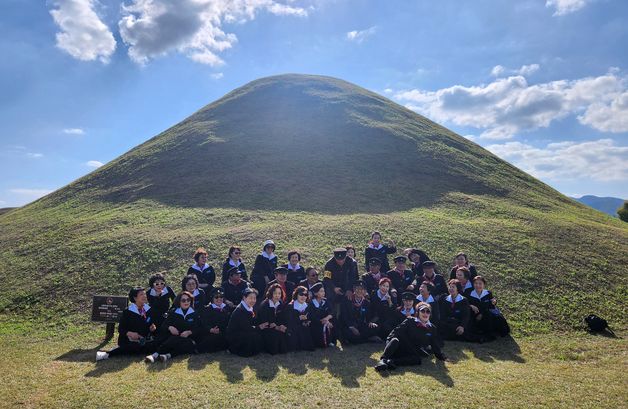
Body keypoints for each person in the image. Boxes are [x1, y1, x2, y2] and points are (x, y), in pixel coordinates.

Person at [375, 302, 446, 372]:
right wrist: (389, 343)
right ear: (418, 313)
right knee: (395, 340)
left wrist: (440, 356)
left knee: (417, 359)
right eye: (423, 311)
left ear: (430, 314)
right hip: (399, 347)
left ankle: (391, 362)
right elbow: (396, 332)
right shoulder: (410, 320)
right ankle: (382, 361)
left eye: (428, 312)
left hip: (411, 351)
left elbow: (434, 344)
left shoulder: (432, 328)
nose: (425, 313)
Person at [96, 287, 159, 361]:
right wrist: (131, 333)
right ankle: (108, 353)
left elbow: (149, 324)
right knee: (135, 347)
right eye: (141, 294)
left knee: (153, 345)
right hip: (128, 340)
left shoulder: (148, 309)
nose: (144, 296)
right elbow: (121, 329)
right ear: (135, 298)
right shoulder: (128, 312)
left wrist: (152, 328)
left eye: (145, 294)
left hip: (144, 339)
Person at [146, 291, 200, 363]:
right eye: (183, 300)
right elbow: (164, 326)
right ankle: (163, 355)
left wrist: (189, 332)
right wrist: (170, 327)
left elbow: (199, 328)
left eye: (188, 300)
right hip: (173, 339)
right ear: (179, 301)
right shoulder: (173, 312)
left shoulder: (195, 313)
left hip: (189, 340)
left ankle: (157, 355)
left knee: (183, 343)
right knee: (174, 339)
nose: (186, 302)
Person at [226, 287, 263, 357]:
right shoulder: (240, 310)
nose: (253, 300)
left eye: (254, 298)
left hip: (243, 330)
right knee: (251, 335)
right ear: (244, 298)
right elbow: (247, 328)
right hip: (235, 335)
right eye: (250, 298)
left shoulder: (250, 307)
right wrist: (259, 327)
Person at [257, 283, 289, 354]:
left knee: (285, 332)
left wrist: (281, 325)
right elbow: (263, 320)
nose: (277, 295)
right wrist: (275, 327)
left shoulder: (280, 303)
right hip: (266, 328)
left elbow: (281, 317)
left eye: (279, 293)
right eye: (275, 293)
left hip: (276, 326)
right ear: (271, 293)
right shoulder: (264, 305)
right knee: (275, 336)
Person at [197, 288, 232, 353]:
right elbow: (204, 323)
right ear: (212, 299)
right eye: (216, 297)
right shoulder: (207, 309)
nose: (219, 299)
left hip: (225, 331)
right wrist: (211, 329)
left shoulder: (227, 307)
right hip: (212, 332)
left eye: (221, 297)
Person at [285, 286, 315, 351]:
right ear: (296, 295)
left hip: (305, 328)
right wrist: (299, 318)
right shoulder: (290, 306)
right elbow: (288, 321)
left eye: (305, 295)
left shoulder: (308, 305)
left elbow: (311, 317)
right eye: (301, 294)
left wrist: (308, 321)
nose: (303, 296)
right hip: (294, 329)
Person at [309, 282, 337, 348]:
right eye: (321, 291)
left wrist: (327, 318)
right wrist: (322, 321)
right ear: (315, 293)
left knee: (335, 322)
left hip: (326, 321)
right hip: (317, 324)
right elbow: (312, 317)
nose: (323, 293)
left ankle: (331, 341)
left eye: (323, 291)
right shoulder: (311, 303)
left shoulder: (326, 301)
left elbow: (332, 311)